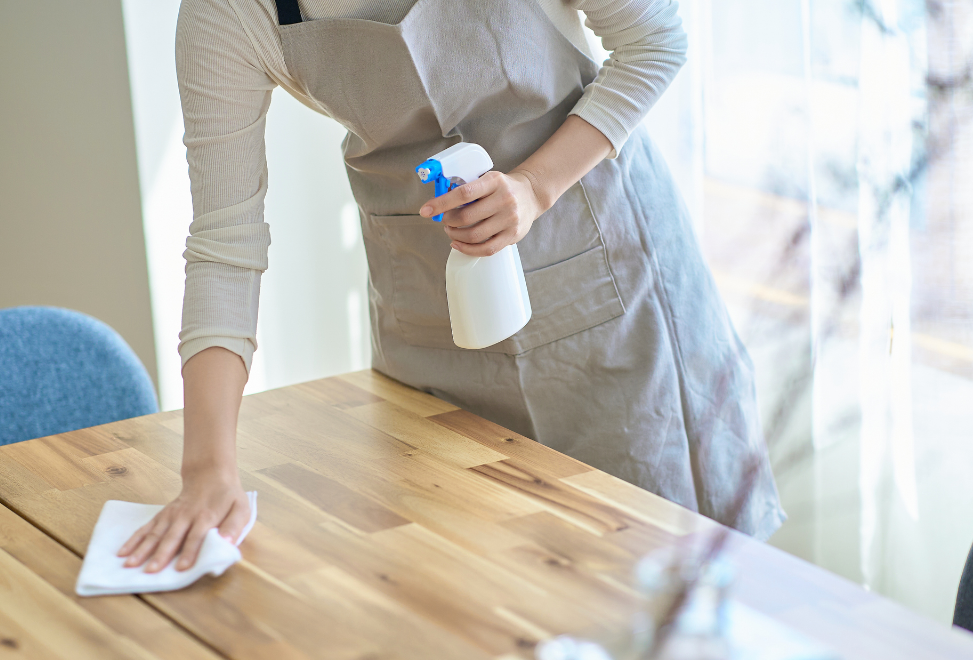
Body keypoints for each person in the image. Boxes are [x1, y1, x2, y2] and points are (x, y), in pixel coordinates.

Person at [119, 0, 786, 574]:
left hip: (611, 296)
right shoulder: (230, 14)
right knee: (469, 605)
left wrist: (533, 187)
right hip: (431, 327)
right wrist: (207, 470)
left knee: (664, 593)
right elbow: (225, 245)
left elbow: (655, 40)